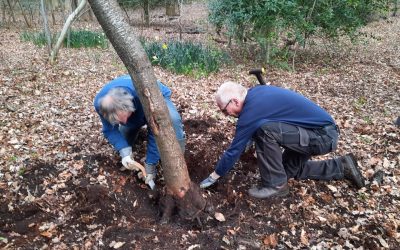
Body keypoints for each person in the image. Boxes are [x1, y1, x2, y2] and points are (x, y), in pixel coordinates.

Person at [200, 81, 365, 199]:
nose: (226, 115)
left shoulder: (250, 111)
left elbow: (234, 150)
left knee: (263, 130)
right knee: (283, 171)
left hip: (321, 136)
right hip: (317, 133)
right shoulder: (256, 93)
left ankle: (275, 186)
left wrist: (214, 176)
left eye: (224, 110)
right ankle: (342, 166)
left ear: (234, 101)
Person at [94, 74, 185, 185]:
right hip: (132, 104)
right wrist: (124, 151)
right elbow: (109, 129)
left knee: (172, 119)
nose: (124, 122)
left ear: (131, 108)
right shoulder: (101, 104)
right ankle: (132, 127)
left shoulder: (144, 99)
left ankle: (179, 153)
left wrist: (150, 164)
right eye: (120, 121)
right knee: (124, 140)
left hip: (154, 95)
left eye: (126, 117)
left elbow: (155, 131)